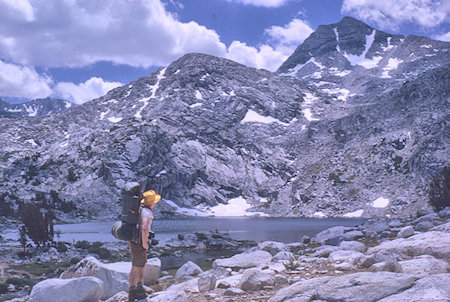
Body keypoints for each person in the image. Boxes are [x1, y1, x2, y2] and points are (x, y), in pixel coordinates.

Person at [128, 189, 161, 301]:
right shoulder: (147, 212)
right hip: (139, 242)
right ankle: (132, 292)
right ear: (152, 203)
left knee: (142, 264)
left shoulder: (141, 210)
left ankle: (139, 287)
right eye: (155, 201)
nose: (156, 203)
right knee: (136, 266)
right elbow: (144, 228)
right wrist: (144, 243)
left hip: (134, 240)